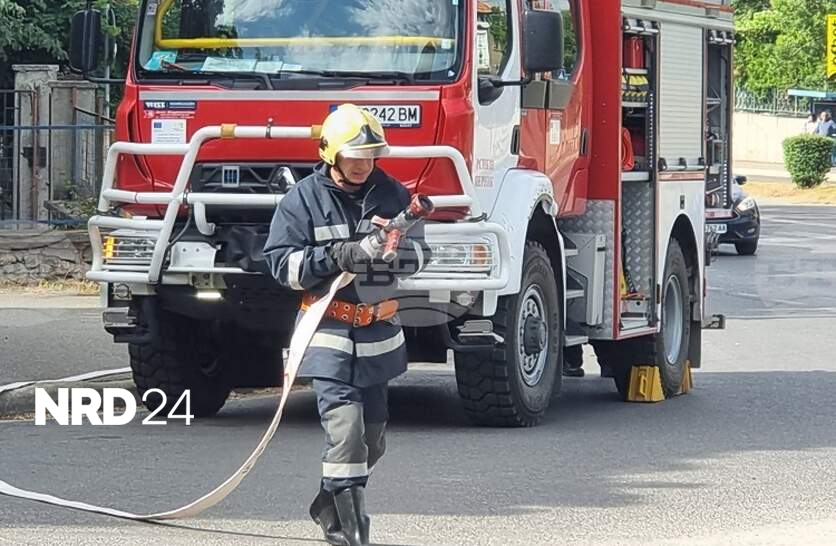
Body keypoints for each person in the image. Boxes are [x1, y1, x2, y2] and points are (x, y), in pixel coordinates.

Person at [263, 104, 429, 546]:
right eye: (355, 156)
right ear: (331, 153)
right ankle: (352, 533)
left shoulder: (392, 194)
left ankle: (327, 502)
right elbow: (281, 265)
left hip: (377, 334)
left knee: (373, 441)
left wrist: (398, 253)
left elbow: (421, 255)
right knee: (347, 433)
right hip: (327, 331)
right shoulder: (302, 200)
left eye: (370, 156)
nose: (363, 164)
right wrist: (339, 255)